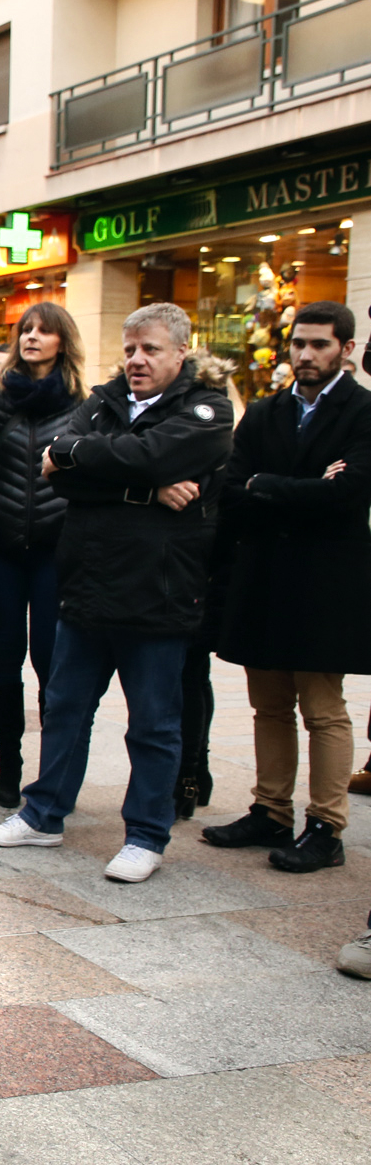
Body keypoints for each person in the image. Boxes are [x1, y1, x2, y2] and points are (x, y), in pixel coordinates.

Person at [0, 303, 234, 883]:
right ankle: (43, 814)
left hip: (159, 591)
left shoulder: (207, 408)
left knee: (152, 724)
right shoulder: (104, 400)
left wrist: (88, 462)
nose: (137, 361)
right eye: (131, 349)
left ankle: (146, 834)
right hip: (88, 584)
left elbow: (155, 454)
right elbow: (59, 471)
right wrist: (142, 486)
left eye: (151, 350)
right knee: (65, 707)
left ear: (180, 353)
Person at [202, 302, 371, 873]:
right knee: (268, 704)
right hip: (266, 576)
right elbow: (232, 491)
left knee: (323, 708)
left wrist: (266, 486)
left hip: (327, 581)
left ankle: (326, 826)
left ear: (345, 349)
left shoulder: (363, 412)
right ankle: (270, 810)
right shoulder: (267, 412)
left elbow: (348, 495)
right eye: (298, 343)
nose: (304, 355)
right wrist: (298, 489)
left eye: (319, 344)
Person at [0, 304, 85, 807]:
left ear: (63, 341)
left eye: (44, 331)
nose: (33, 338)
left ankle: (51, 770)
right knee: (4, 662)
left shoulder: (85, 404)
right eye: (26, 330)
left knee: (51, 662)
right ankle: (9, 764)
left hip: (56, 551)